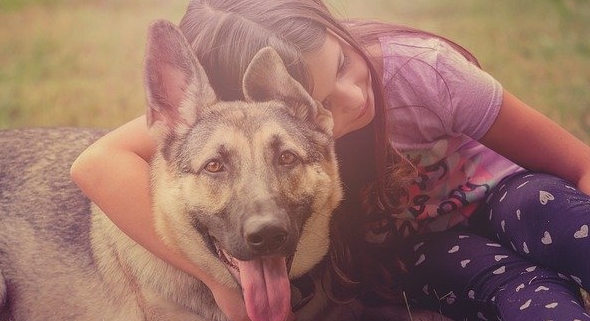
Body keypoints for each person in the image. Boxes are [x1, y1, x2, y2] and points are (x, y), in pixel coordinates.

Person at [70, 0, 590, 320]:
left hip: (510, 198)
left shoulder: (424, 73)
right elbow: (96, 164)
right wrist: (213, 278)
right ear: (249, 99)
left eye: (343, 62)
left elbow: (577, 163)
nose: (353, 98)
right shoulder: (223, 121)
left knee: (552, 213)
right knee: (515, 288)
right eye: (321, 97)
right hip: (430, 245)